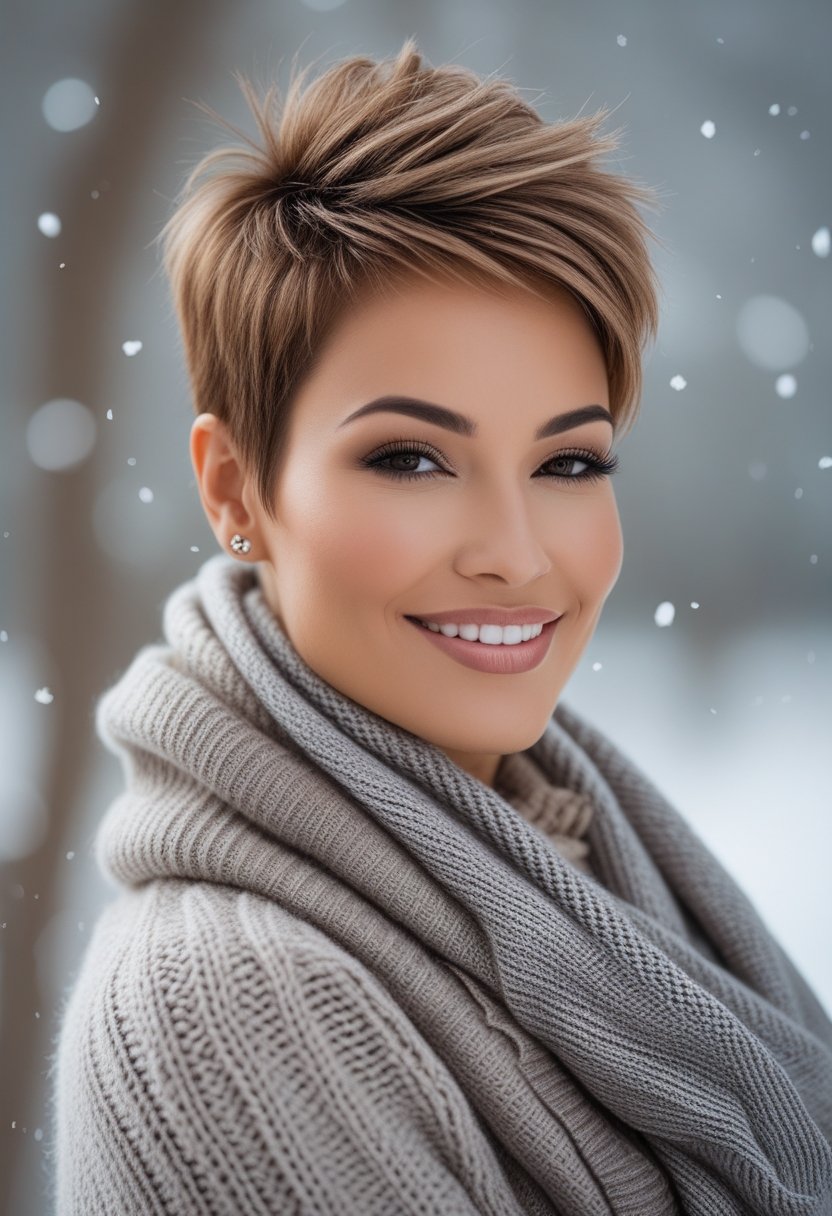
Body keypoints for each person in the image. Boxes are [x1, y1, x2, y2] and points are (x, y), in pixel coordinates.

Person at [51, 38, 832, 1215]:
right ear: (234, 489)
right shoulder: (226, 1004)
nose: (515, 551)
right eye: (410, 457)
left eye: (568, 460)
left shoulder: (588, 864)